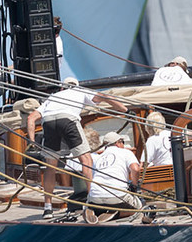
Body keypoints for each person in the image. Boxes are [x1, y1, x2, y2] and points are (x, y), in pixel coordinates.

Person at [23, 78, 126, 218]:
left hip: (48, 122)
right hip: (68, 119)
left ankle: (48, 208)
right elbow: (104, 96)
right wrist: (124, 110)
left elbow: (31, 118)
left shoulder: (52, 97)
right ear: (76, 86)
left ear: (61, 88)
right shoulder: (80, 91)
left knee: (50, 167)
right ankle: (91, 202)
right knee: (86, 160)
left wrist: (33, 142)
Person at [86, 131, 142, 220]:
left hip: (94, 197)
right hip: (117, 196)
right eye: (122, 142)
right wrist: (135, 186)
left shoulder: (98, 157)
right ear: (117, 143)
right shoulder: (125, 152)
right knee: (139, 207)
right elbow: (135, 169)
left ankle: (92, 211)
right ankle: (115, 215)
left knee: (96, 202)